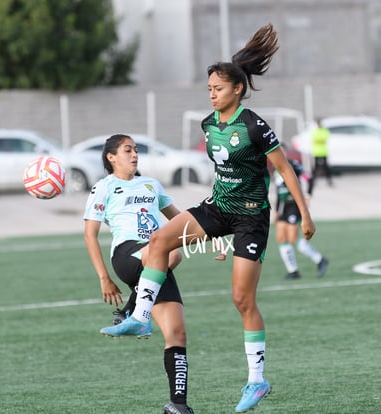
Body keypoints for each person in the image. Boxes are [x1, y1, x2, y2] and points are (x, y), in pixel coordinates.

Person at [100, 23, 316, 413]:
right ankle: (142, 315)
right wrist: (210, 232)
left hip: (251, 219)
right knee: (161, 241)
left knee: (241, 299)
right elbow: (223, 177)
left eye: (218, 88)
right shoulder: (208, 125)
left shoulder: (253, 124)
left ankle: (256, 380)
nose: (212, 94)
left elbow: (285, 169)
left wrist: (304, 214)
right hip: (217, 209)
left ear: (237, 89)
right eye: (209, 89)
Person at [83, 134, 194, 414]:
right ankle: (136, 310)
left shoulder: (152, 185)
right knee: (172, 253)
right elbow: (90, 234)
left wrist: (213, 236)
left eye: (135, 150)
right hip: (129, 254)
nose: (134, 155)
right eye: (127, 150)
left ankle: (178, 405)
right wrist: (104, 277)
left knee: (177, 333)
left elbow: (180, 222)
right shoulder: (104, 187)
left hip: (156, 262)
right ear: (111, 157)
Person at [274, 143, 329, 280]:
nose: (280, 154)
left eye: (282, 151)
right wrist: (276, 209)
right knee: (281, 237)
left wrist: (308, 195)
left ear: (286, 152)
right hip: (284, 207)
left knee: (293, 238)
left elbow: (309, 179)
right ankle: (293, 271)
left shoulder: (295, 165)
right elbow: (278, 191)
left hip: (294, 205)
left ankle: (320, 259)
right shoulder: (276, 169)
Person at [310, 118, 332, 187]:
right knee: (316, 168)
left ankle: (329, 181)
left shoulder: (324, 131)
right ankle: (313, 181)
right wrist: (320, 140)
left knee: (326, 167)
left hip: (323, 151)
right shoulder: (315, 131)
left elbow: (325, 139)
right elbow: (315, 139)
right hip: (316, 152)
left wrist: (319, 140)